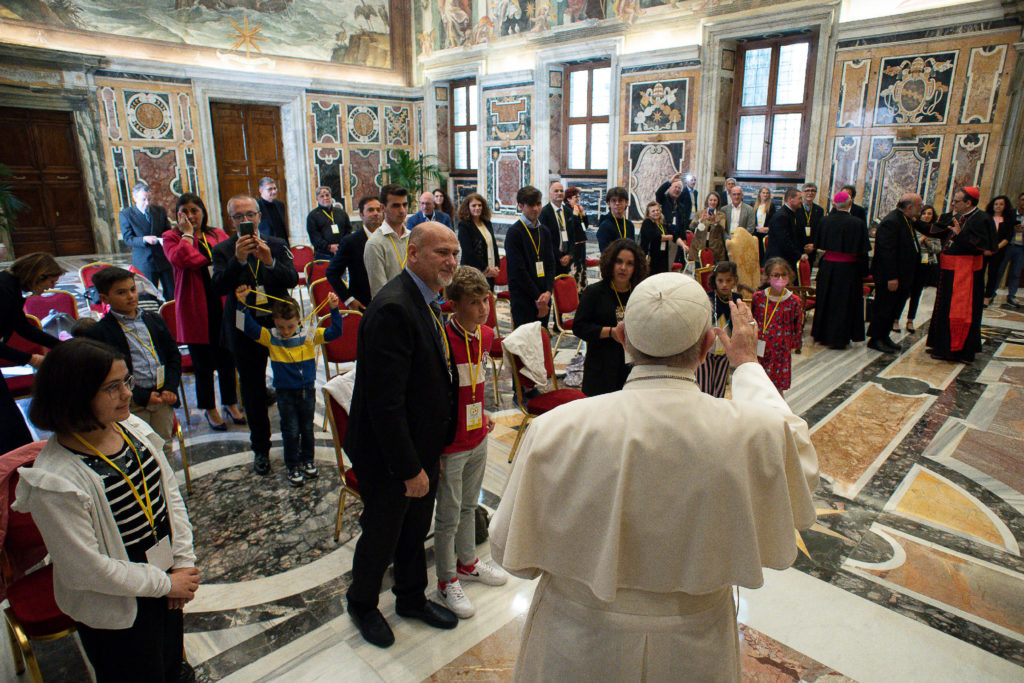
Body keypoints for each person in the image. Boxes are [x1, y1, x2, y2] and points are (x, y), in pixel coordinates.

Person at [489, 273, 818, 683]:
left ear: (623, 338)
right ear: (707, 346)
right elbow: (800, 459)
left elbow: (509, 553)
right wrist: (748, 367)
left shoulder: (557, 427)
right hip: (694, 647)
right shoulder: (751, 432)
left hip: (577, 643)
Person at [14, 338, 199, 682]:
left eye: (126, 381)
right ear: (75, 395)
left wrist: (182, 563)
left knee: (172, 665)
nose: (128, 394)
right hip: (119, 601)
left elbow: (169, 495)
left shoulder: (132, 428)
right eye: (112, 388)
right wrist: (164, 583)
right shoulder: (54, 480)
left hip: (164, 575)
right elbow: (87, 570)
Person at [345, 222, 460, 648]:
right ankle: (361, 602)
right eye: (440, 253)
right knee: (383, 533)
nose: (450, 261)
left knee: (415, 530)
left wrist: (436, 449)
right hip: (389, 453)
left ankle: (410, 597)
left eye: (454, 252)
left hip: (421, 443)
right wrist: (410, 467)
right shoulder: (394, 307)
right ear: (413, 254)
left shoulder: (427, 299)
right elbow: (384, 403)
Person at [434, 266, 508, 619]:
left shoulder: (488, 334)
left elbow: (474, 386)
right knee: (448, 515)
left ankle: (467, 562)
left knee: (468, 506)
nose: (483, 309)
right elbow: (434, 396)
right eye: (474, 303)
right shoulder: (442, 339)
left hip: (478, 435)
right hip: (451, 444)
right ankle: (446, 579)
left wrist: (486, 413)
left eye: (486, 301)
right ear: (453, 305)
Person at [211, 194, 298, 476]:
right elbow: (218, 287)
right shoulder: (223, 250)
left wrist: (270, 261)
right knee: (252, 389)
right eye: (239, 216)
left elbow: (291, 279)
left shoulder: (275, 244)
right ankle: (260, 448)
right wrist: (238, 259)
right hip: (243, 324)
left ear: (260, 215)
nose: (246, 220)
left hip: (279, 322)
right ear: (231, 220)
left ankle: (296, 443)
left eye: (251, 214)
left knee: (290, 383)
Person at [235, 287, 344, 487]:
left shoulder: (309, 335)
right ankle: (292, 465)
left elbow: (335, 332)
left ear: (299, 321)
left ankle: (308, 460)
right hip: (285, 394)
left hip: (307, 392)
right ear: (275, 323)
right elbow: (245, 326)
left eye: (290, 327)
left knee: (307, 428)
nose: (286, 332)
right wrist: (241, 304)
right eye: (281, 327)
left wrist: (334, 310)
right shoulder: (272, 337)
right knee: (290, 430)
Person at [162, 192, 243, 431]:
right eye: (184, 212)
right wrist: (187, 235)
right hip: (194, 304)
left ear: (203, 212)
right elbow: (181, 259)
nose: (190, 216)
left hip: (222, 300)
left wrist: (207, 258)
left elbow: (228, 259)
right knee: (203, 363)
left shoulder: (216, 233)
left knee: (228, 357)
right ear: (178, 215)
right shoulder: (171, 237)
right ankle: (209, 408)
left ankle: (231, 402)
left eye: (194, 210)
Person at [84, 267, 181, 460]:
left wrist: (170, 386)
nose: (130, 296)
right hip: (130, 401)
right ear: (105, 298)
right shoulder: (100, 332)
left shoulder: (153, 319)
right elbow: (105, 377)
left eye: (132, 289)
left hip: (162, 396)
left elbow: (172, 356)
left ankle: (165, 488)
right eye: (121, 292)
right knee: (137, 451)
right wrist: (142, 396)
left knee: (164, 446)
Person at [0, 253, 63, 453]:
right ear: (38, 276)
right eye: (51, 281)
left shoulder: (11, 287)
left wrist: (59, 345)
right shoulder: (4, 290)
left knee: (10, 423)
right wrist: (30, 359)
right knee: (7, 422)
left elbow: (23, 328)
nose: (50, 288)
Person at [926, 187, 997, 362]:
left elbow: (986, 247)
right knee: (944, 309)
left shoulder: (983, 219)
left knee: (962, 312)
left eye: (957, 201)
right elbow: (937, 230)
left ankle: (961, 351)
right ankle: (941, 346)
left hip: (967, 276)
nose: (953, 203)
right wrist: (913, 221)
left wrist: (960, 236)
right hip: (950, 273)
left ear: (968, 203)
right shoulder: (957, 216)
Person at [573, 239, 647, 396]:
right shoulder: (594, 292)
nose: (623, 268)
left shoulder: (640, 293)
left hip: (631, 367)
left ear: (636, 267)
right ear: (611, 263)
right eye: (619, 261)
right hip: (601, 367)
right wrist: (610, 332)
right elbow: (579, 327)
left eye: (629, 264)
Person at [810, 191, 871, 349]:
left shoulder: (825, 221)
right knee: (844, 304)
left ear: (834, 204)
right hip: (849, 270)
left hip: (828, 268)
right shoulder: (857, 223)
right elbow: (863, 251)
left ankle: (822, 334)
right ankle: (840, 337)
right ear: (850, 203)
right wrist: (865, 273)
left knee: (826, 301)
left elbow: (818, 245)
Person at [867, 193, 923, 354]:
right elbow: (887, 252)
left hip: (902, 274)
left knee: (894, 307)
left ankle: (884, 336)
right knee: (884, 307)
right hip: (890, 276)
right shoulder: (892, 221)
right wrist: (892, 277)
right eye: (919, 206)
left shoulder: (905, 220)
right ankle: (876, 338)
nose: (921, 208)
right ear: (909, 207)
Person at [505, 186, 555, 328]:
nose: (536, 208)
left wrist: (548, 291)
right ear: (521, 206)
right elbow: (518, 271)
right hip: (524, 298)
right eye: (531, 205)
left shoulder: (544, 231)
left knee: (542, 339)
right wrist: (538, 298)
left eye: (538, 204)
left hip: (544, 296)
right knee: (526, 344)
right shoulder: (515, 232)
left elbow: (551, 264)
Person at [752, 258, 803, 395]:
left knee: (777, 387)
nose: (780, 278)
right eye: (776, 275)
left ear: (789, 276)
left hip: (781, 351)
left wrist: (795, 344)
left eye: (783, 275)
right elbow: (753, 319)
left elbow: (797, 325)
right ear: (768, 277)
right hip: (761, 348)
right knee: (760, 384)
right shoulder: (758, 297)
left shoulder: (794, 301)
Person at [326, 195, 383, 311]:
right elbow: (332, 272)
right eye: (370, 210)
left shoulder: (388, 238)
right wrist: (349, 299)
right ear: (361, 215)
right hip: (363, 303)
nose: (376, 213)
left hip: (388, 301)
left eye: (378, 210)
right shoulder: (350, 241)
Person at [120, 182, 174, 299]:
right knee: (149, 295)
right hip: (145, 262)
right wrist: (144, 240)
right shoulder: (126, 214)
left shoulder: (159, 211)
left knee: (172, 293)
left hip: (163, 259)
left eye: (149, 199)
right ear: (135, 198)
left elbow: (167, 230)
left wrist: (167, 238)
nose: (147, 203)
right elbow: (128, 239)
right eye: (144, 199)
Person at [894, 204, 943, 334]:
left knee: (917, 293)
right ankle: (896, 319)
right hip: (911, 263)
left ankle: (910, 320)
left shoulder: (934, 231)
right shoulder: (912, 227)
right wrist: (920, 241)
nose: (926, 216)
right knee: (904, 292)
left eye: (929, 214)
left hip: (926, 264)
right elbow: (907, 245)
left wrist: (928, 242)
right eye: (924, 213)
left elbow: (938, 249)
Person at [696, 261, 742, 397]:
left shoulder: (736, 299)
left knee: (719, 387)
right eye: (720, 280)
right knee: (704, 388)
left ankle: (717, 415)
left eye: (729, 280)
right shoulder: (708, 297)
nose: (724, 285)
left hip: (724, 351)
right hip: (706, 351)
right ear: (714, 280)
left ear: (734, 280)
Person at [365, 184, 411, 296]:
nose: (402, 210)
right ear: (382, 208)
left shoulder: (413, 236)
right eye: (396, 206)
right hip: (391, 307)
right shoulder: (375, 243)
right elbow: (379, 291)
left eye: (404, 205)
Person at [539, 181, 585, 277]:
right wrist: (559, 257)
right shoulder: (544, 212)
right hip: (552, 259)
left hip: (567, 259)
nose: (559, 193)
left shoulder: (568, 211)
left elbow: (572, 235)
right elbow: (545, 239)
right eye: (556, 191)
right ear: (550, 194)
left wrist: (569, 255)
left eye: (561, 191)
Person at [455, 193, 500, 288]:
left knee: (488, 298)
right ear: (468, 207)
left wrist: (496, 267)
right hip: (473, 271)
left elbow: (493, 246)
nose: (477, 208)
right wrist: (486, 269)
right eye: (474, 205)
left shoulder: (487, 223)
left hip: (490, 272)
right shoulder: (464, 226)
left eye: (480, 205)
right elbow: (468, 252)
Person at [983, 195, 1016, 306]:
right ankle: (978, 295)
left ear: (1005, 206)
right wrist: (986, 248)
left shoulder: (1008, 220)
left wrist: (995, 248)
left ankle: (987, 298)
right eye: (996, 204)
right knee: (980, 273)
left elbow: (1008, 237)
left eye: (1001, 204)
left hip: (998, 251)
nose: (998, 206)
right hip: (984, 250)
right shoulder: (986, 217)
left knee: (993, 274)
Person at [766, 188, 808, 273]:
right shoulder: (781, 216)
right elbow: (784, 241)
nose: (802, 201)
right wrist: (799, 255)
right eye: (799, 198)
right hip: (779, 260)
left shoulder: (792, 213)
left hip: (786, 257)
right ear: (790, 199)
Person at [306, 186, 352, 260]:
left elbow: (348, 230)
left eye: (327, 195)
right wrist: (329, 247)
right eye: (322, 196)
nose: (325, 198)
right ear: (317, 199)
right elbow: (314, 236)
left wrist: (341, 245)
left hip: (341, 251)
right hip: (323, 254)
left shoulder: (341, 213)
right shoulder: (313, 216)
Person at [998, 192, 1024, 308]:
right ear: (1018, 201)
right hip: (1007, 245)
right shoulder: (1010, 214)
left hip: (1020, 248)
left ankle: (1011, 296)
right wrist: (1012, 229)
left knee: (1015, 273)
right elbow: (1002, 228)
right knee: (999, 270)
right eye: (1023, 200)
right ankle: (991, 293)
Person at [688, 192, 728, 265]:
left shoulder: (721, 215)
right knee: (699, 271)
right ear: (707, 201)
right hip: (699, 246)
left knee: (713, 272)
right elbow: (691, 226)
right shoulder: (700, 213)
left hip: (715, 247)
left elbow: (722, 229)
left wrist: (715, 221)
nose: (712, 202)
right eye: (711, 200)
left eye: (715, 200)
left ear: (718, 202)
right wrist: (700, 220)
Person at [564, 186, 591, 286]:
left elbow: (585, 226)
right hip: (573, 243)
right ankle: (573, 286)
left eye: (578, 196)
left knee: (582, 265)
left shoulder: (577, 209)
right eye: (575, 197)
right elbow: (571, 227)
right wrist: (575, 215)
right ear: (569, 198)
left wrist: (583, 214)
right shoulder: (566, 210)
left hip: (581, 241)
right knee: (574, 266)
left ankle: (581, 285)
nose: (577, 199)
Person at [597, 186, 635, 253]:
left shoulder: (629, 225)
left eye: (620, 200)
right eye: (614, 200)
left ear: (626, 202)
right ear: (608, 203)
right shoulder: (605, 225)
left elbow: (633, 248)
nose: (617, 203)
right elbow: (604, 252)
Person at [639, 201, 673, 274]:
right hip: (651, 257)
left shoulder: (662, 224)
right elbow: (654, 237)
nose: (656, 212)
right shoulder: (647, 222)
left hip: (662, 256)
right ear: (649, 213)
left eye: (657, 210)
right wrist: (667, 237)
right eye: (653, 211)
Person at [257, 177, 289, 244]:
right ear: (261, 191)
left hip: (281, 243)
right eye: (270, 189)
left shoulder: (280, 205)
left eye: (275, 188)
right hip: (266, 244)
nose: (274, 191)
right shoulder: (256, 206)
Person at [654, 173, 687, 239]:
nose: (677, 189)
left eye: (679, 188)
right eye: (675, 187)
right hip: (665, 235)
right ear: (669, 188)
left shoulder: (681, 206)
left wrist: (684, 238)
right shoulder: (664, 200)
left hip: (677, 238)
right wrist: (670, 181)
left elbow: (682, 224)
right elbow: (658, 193)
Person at [797, 183, 823, 262]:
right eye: (807, 190)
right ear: (802, 193)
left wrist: (814, 245)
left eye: (813, 191)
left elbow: (820, 230)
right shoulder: (796, 208)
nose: (810, 193)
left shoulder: (819, 210)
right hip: (798, 247)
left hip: (812, 247)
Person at [752, 186, 775, 264]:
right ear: (759, 194)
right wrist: (756, 227)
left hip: (766, 234)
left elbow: (773, 220)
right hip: (756, 233)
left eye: (767, 193)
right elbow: (752, 219)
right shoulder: (754, 205)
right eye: (763, 193)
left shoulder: (771, 206)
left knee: (764, 254)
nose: (765, 195)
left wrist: (767, 228)